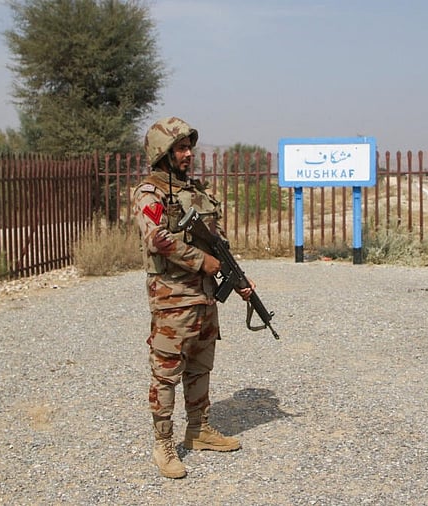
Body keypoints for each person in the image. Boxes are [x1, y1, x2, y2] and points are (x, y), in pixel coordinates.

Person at [133, 116, 254, 479]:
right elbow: (159, 240)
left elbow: (220, 243)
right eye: (180, 148)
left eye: (189, 148)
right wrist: (205, 263)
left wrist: (237, 279)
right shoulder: (149, 193)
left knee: (201, 366)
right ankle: (163, 444)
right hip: (173, 298)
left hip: (204, 298)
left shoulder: (197, 192)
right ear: (162, 153)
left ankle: (199, 429)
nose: (188, 154)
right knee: (167, 372)